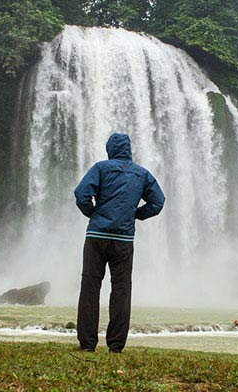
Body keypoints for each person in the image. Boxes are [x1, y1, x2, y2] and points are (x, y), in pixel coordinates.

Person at [73, 132, 165, 353]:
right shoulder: (142, 174)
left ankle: (87, 344)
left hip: (96, 237)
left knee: (90, 287)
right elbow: (158, 201)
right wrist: (136, 214)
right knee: (122, 289)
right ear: (129, 150)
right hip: (123, 239)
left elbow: (81, 194)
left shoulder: (101, 168)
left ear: (110, 149)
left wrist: (94, 214)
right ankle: (115, 345)